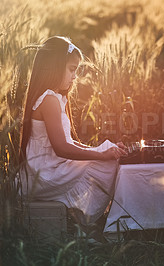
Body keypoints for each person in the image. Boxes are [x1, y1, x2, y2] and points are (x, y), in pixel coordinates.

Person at [19, 36, 127, 238]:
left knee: (106, 151)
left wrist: (99, 150)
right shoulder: (49, 100)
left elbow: (68, 142)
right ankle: (94, 225)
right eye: (71, 69)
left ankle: (81, 222)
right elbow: (61, 148)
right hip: (44, 175)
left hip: (50, 168)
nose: (75, 76)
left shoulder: (55, 98)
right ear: (54, 67)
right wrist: (101, 155)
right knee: (107, 160)